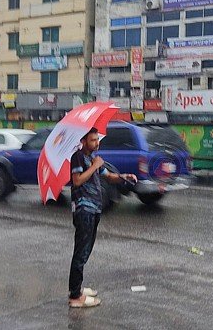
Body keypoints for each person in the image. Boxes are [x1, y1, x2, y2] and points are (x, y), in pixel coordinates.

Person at [68, 127, 137, 308]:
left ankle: (78, 288)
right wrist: (94, 166)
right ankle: (75, 297)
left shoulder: (93, 158)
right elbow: (77, 180)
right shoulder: (78, 157)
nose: (97, 143)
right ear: (83, 142)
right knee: (80, 253)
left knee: (86, 251)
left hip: (94, 209)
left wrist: (123, 177)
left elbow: (108, 176)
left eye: (97, 139)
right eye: (92, 140)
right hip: (84, 209)